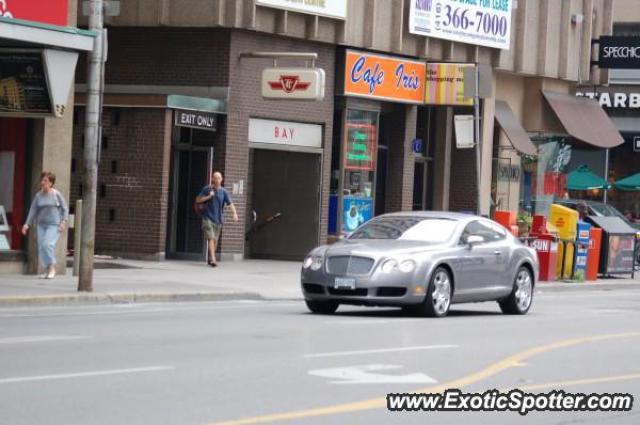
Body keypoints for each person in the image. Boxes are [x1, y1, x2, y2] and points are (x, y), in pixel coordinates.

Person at [21, 171, 69, 279]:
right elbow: (32, 210)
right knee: (42, 248)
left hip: (54, 225)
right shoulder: (38, 196)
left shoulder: (56, 194)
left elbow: (64, 208)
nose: (43, 182)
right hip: (41, 225)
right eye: (42, 180)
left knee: (48, 245)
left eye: (45, 180)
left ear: (51, 183)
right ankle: (48, 270)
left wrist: (63, 222)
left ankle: (52, 268)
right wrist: (26, 225)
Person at [196, 171, 238, 267]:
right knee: (210, 238)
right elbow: (198, 200)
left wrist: (234, 213)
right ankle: (213, 259)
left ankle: (210, 258)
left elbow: (230, 203)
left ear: (222, 179)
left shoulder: (224, 192)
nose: (217, 180)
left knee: (215, 240)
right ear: (212, 179)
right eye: (215, 178)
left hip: (218, 219)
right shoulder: (207, 189)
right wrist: (209, 196)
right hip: (208, 218)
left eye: (219, 178)